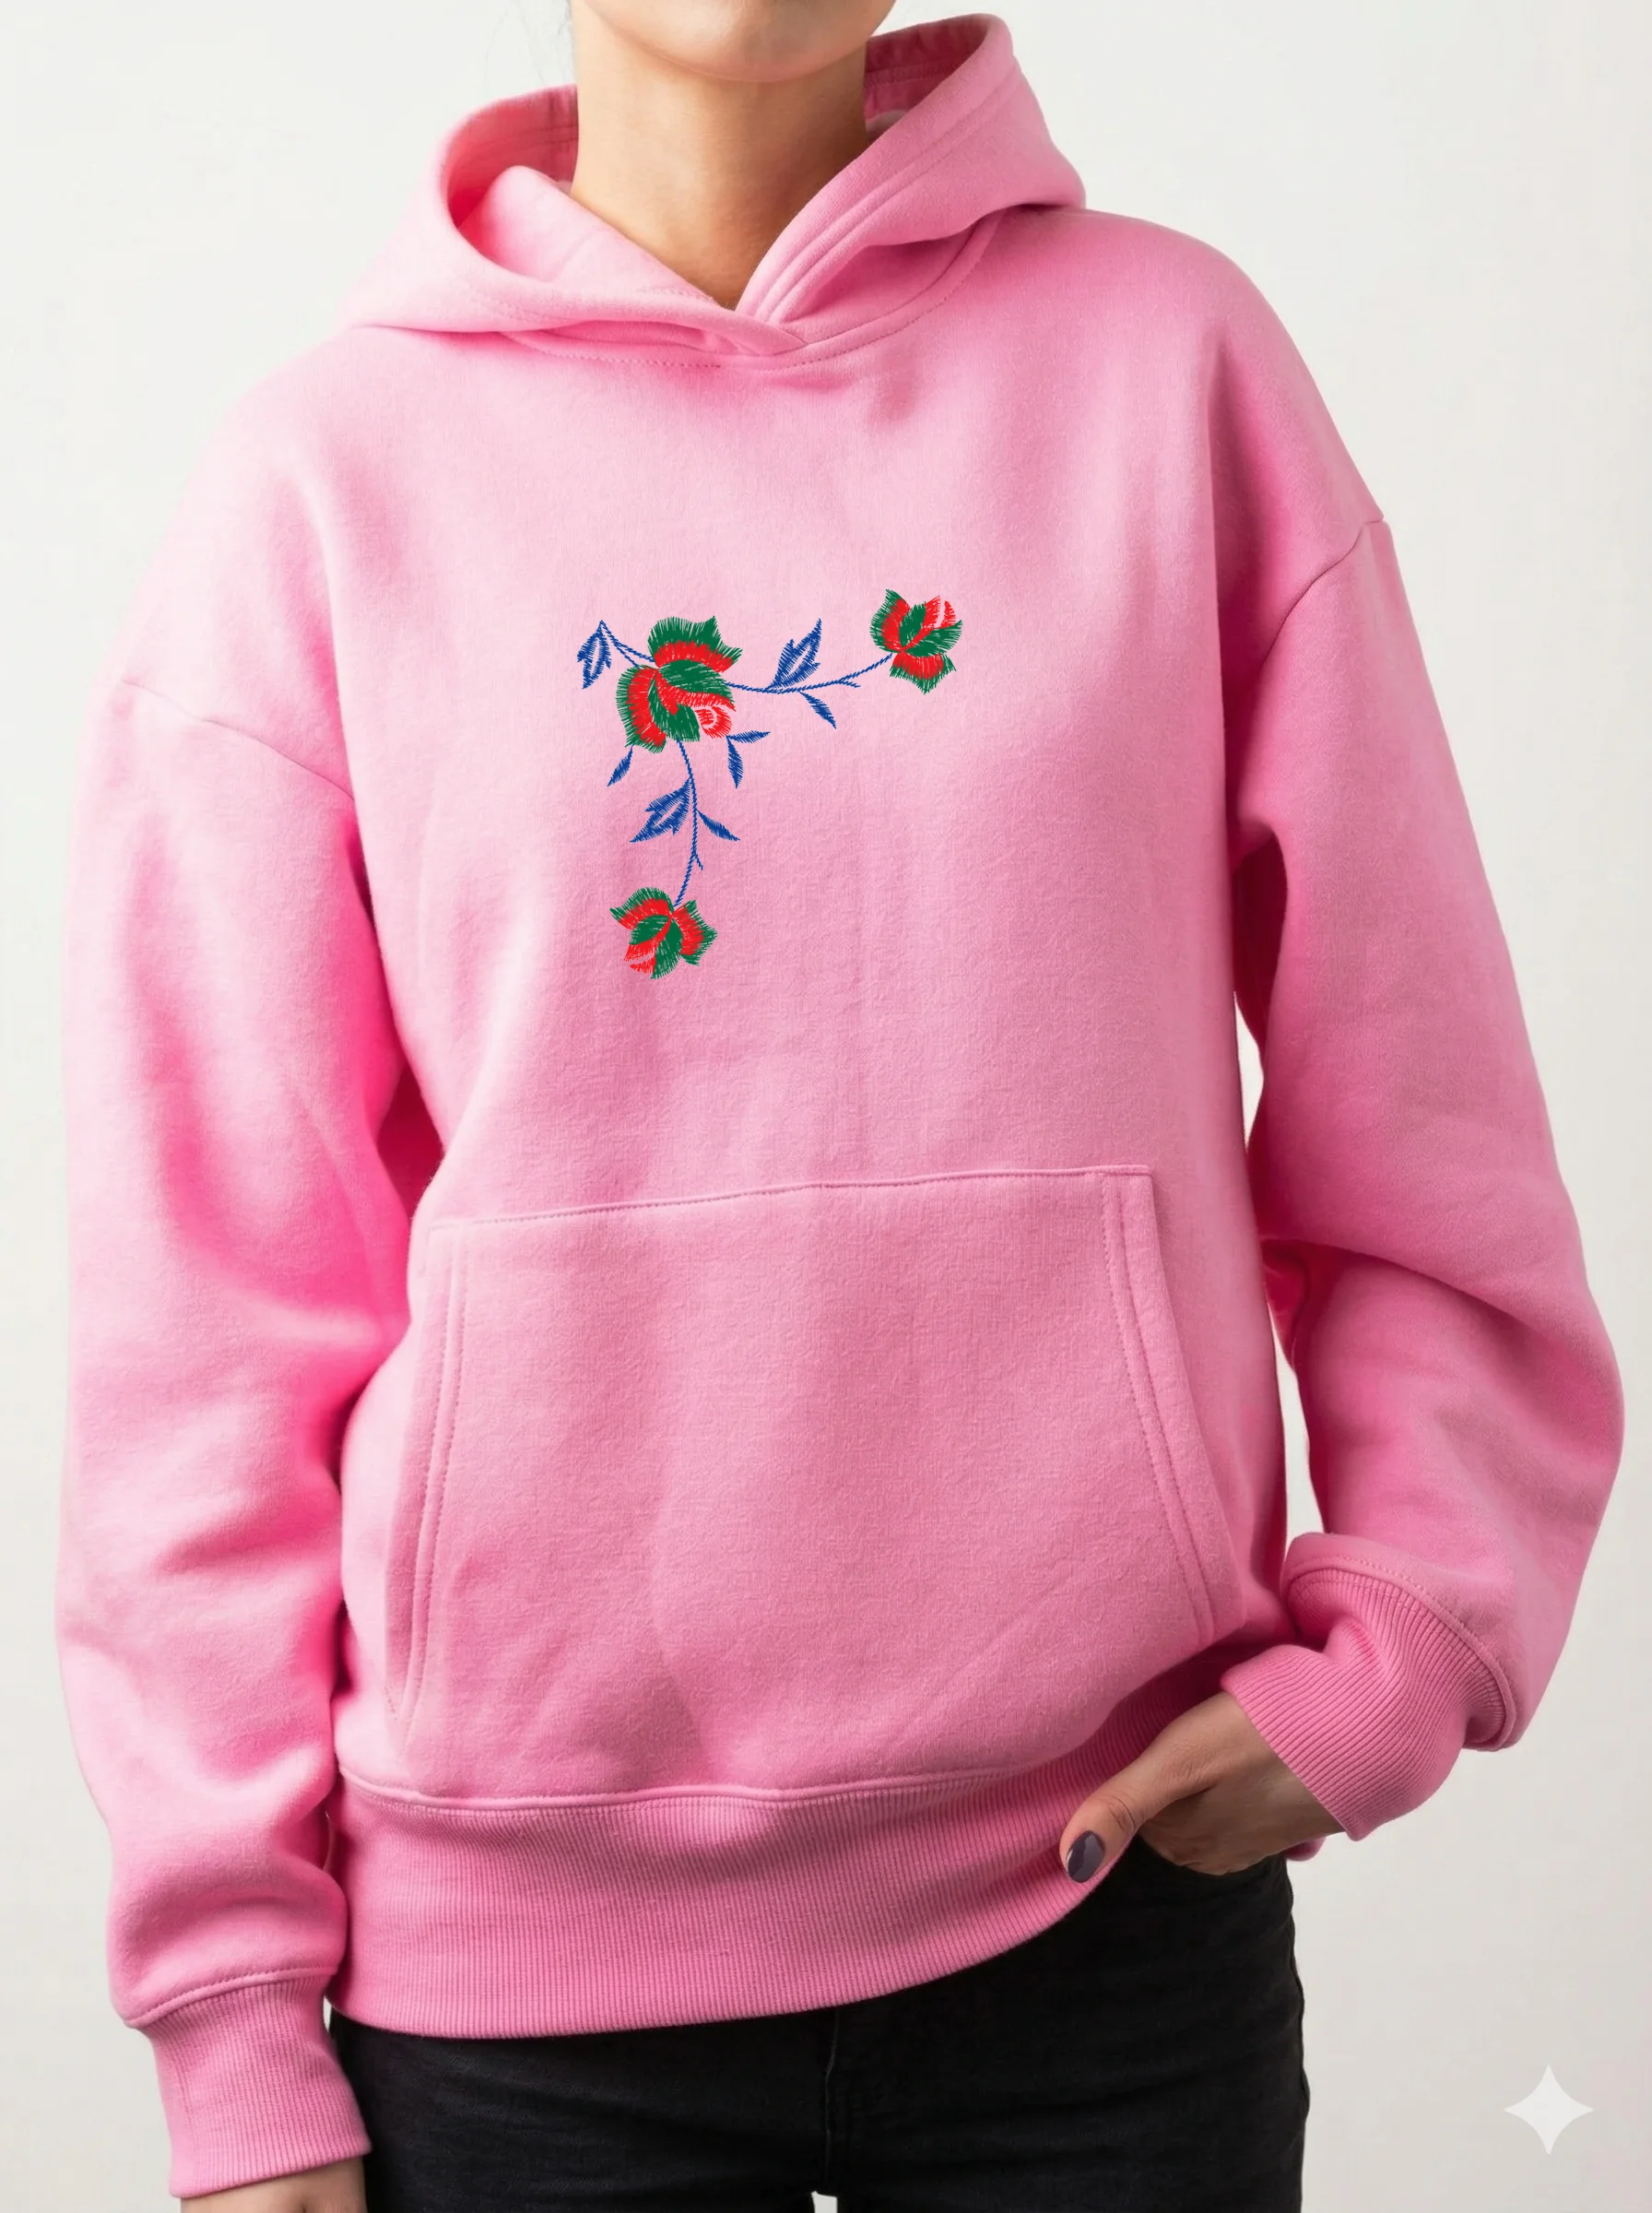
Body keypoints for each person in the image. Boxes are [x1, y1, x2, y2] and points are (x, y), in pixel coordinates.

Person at [56, 6, 1623, 2209]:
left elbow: (1415, 1086)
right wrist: (228, 2006)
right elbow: (208, 1307)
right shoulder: (325, 480)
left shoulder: (1168, 370)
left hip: (1103, 1923)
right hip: (505, 2006)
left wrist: (1408, 1632)